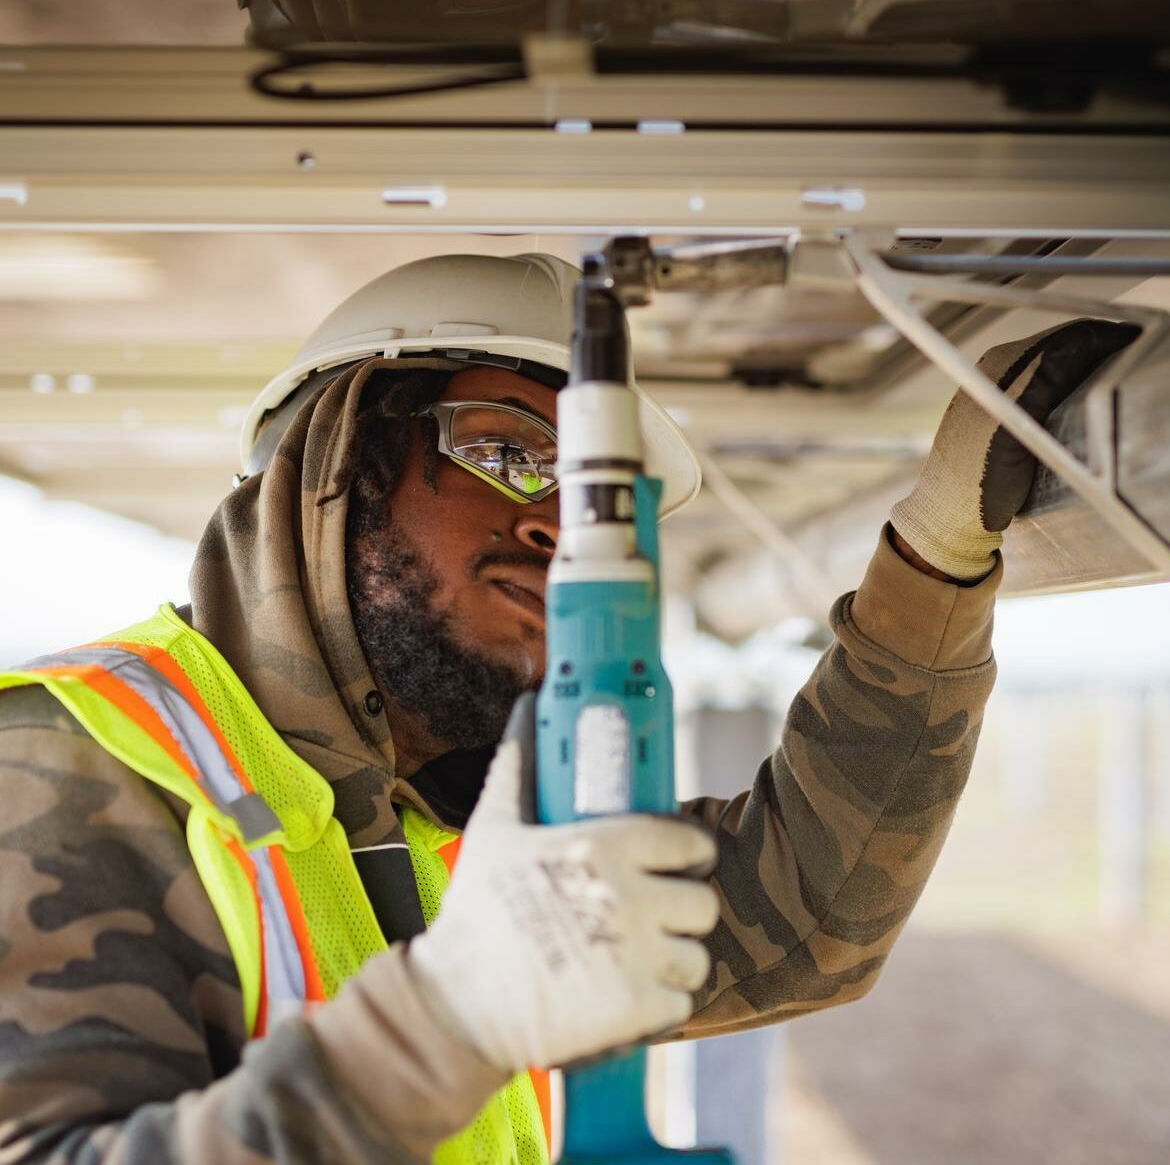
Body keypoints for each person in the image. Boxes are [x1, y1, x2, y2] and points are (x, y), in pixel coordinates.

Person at [0, 252, 1136, 1165]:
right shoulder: (71, 768)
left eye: (595, 499)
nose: (557, 528)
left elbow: (806, 921)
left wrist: (933, 561)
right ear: (328, 463)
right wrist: (449, 1024)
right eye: (504, 452)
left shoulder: (456, 815)